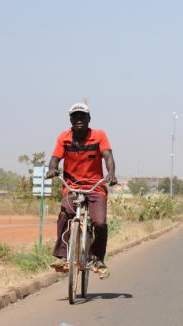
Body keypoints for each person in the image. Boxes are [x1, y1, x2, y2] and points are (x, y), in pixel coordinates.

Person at [46, 102, 117, 279]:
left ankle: (97, 257)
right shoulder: (64, 138)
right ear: (70, 119)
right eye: (75, 116)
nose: (79, 120)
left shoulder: (99, 136)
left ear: (88, 119)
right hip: (72, 186)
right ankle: (63, 256)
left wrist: (111, 174)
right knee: (65, 215)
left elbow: (108, 156)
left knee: (99, 223)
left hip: (95, 187)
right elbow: (54, 159)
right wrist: (52, 169)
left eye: (82, 116)